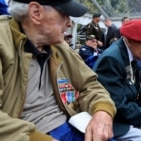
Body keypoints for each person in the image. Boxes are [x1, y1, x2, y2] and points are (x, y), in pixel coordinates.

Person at [0, 0, 116, 141]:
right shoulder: (3, 42)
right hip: (27, 135)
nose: (69, 23)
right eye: (65, 14)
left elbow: (89, 84)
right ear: (36, 12)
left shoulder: (58, 46)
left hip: (72, 125)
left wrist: (103, 111)